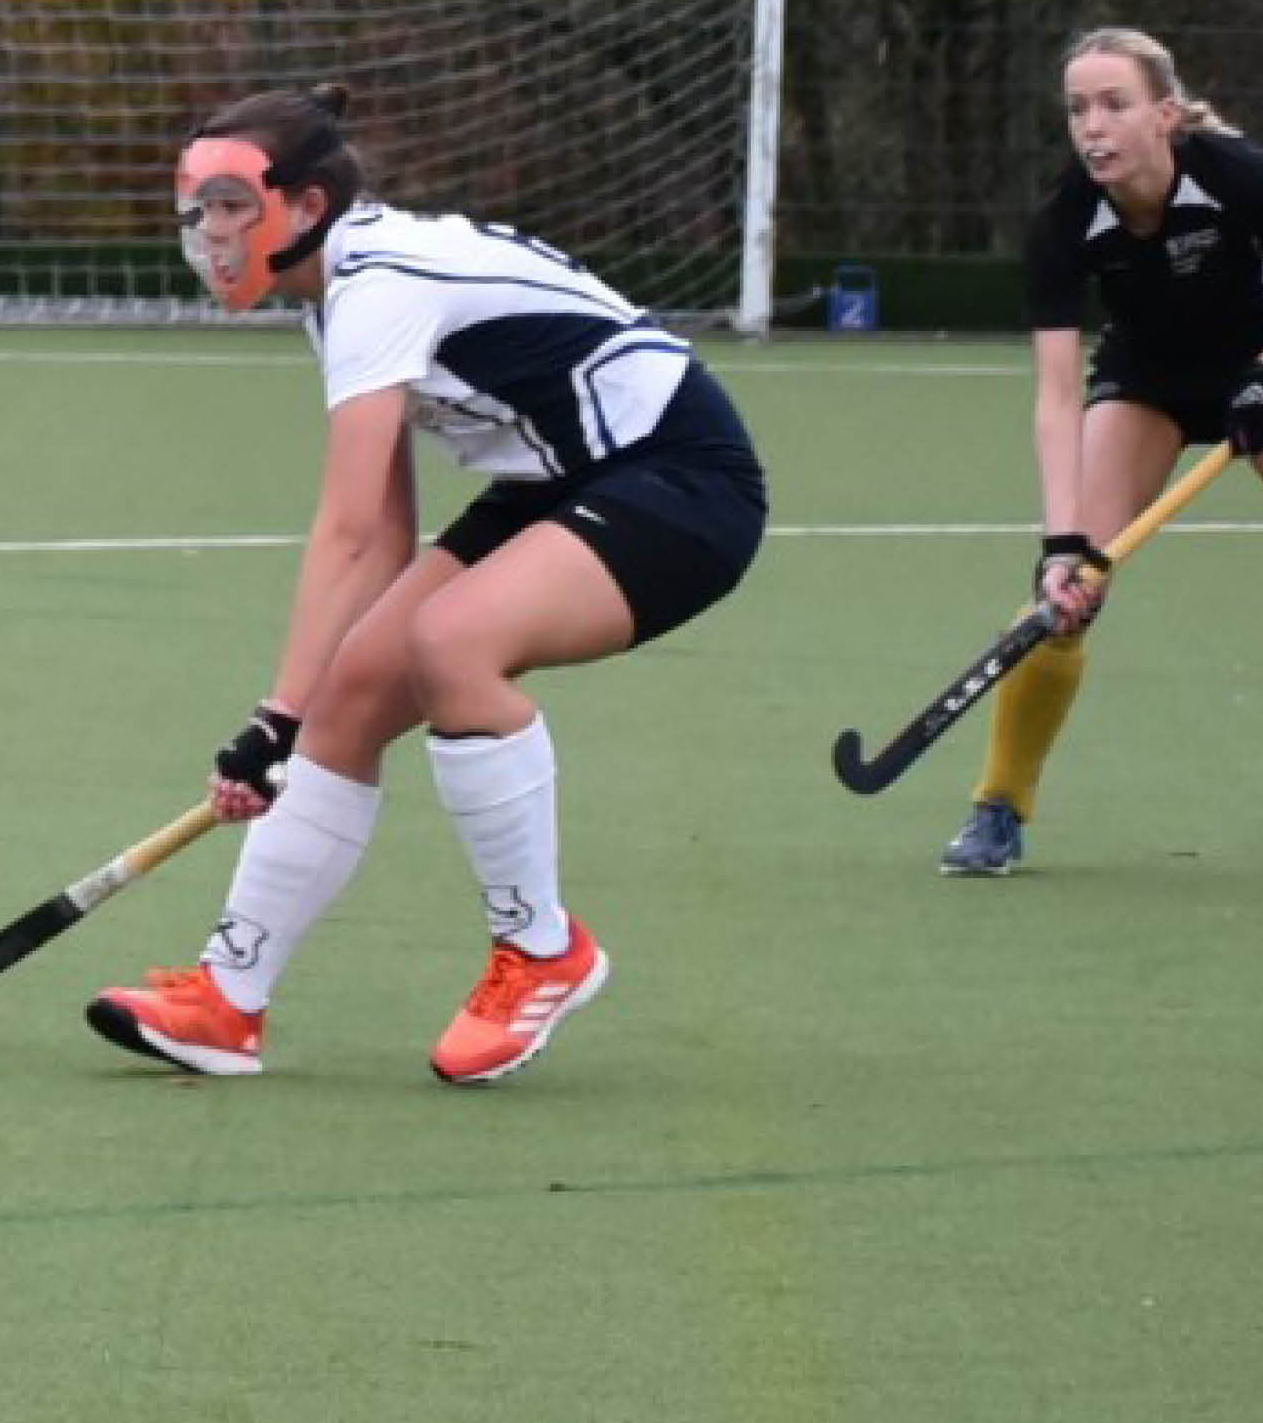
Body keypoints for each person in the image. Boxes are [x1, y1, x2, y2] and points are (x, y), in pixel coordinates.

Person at [80, 86, 764, 1086]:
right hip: (551, 477)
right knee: (350, 695)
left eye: (231, 204)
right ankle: (228, 1001)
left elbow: (353, 528)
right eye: (198, 207)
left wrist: (270, 713)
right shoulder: (335, 292)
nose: (210, 231)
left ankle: (540, 949)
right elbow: (390, 525)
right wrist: (300, 712)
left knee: (451, 643)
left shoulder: (377, 286)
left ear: (304, 205)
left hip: (678, 478)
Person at [941, 27, 1263, 876]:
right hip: (1147, 385)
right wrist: (1060, 545)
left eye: (1113, 105)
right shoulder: (1062, 221)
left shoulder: (1234, 175)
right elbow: (1056, 397)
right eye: (1077, 109)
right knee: (1065, 594)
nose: (1092, 126)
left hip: (1261, 368)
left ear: (1163, 114)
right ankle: (996, 809)